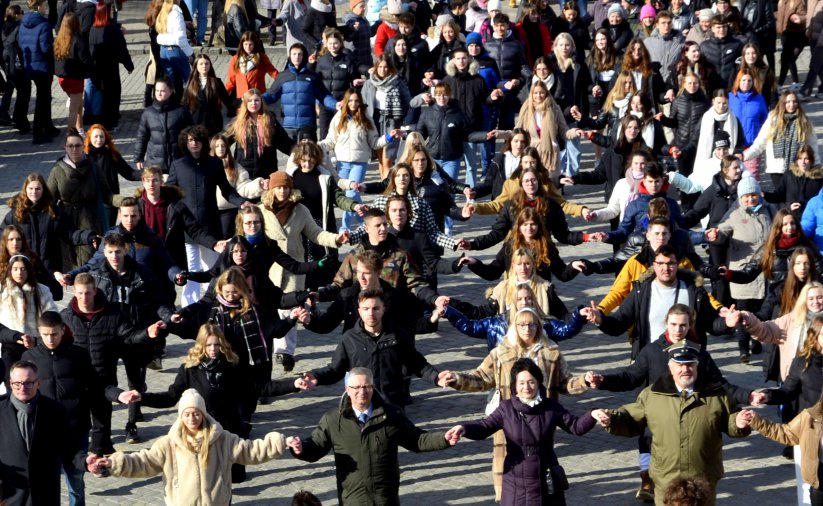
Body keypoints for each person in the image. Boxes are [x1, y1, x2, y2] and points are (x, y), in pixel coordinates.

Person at [584, 304, 756, 501]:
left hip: (703, 478)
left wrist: (741, 418)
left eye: (690, 365)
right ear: (670, 366)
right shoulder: (652, 390)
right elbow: (630, 400)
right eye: (673, 324)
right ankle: (646, 479)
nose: (685, 370)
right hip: (666, 473)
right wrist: (611, 418)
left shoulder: (712, 390)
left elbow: (726, 404)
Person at [437, 307, 589, 501]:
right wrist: (456, 379)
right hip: (508, 419)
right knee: (510, 470)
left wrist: (585, 381)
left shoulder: (551, 354)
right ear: (514, 327)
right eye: (522, 325)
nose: (527, 329)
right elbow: (481, 378)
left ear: (539, 326)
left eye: (532, 324)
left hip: (543, 419)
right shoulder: (501, 353)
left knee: (541, 467)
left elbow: (565, 383)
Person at [140, 324, 311, 483]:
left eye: (216, 344)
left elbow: (261, 387)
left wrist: (293, 384)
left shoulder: (234, 365)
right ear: (201, 346)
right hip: (201, 435)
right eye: (208, 345)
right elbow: (171, 397)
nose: (213, 349)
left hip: (229, 433)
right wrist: (142, 398)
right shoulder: (189, 369)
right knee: (204, 481)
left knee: (228, 482)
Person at [94, 388, 301, 505]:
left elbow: (251, 451)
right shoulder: (168, 444)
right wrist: (114, 463)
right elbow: (142, 461)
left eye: (196, 413)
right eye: (187, 414)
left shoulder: (223, 439)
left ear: (203, 414)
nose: (192, 418)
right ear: (180, 416)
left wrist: (281, 442)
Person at [446, 358, 600, 505]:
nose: (526, 387)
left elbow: (576, 426)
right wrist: (463, 428)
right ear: (514, 385)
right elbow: (484, 427)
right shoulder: (506, 409)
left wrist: (592, 415)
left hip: (546, 478)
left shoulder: (551, 407)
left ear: (538, 383)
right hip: (515, 481)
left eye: (531, 382)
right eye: (521, 383)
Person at [292, 367, 454, 504]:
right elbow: (316, 446)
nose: (361, 392)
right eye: (356, 387)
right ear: (347, 390)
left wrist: (444, 438)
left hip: (385, 499)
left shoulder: (391, 414)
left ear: (373, 387)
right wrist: (300, 448)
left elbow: (417, 440)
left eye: (366, 387)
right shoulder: (333, 420)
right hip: (353, 500)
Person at [21, 311, 128, 506]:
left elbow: (96, 385)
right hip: (43, 432)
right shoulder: (30, 357)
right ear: (39, 332)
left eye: (54, 334)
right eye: (45, 334)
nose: (50, 339)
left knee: (76, 482)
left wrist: (118, 395)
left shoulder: (78, 355)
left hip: (75, 429)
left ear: (63, 330)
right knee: (46, 483)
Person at [259, 172, 347, 371]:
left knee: (290, 309)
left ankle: (285, 352)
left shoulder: (300, 210)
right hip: (268, 269)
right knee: (267, 310)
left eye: (286, 187)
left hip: (293, 268)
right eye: (279, 187)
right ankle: (267, 348)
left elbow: (316, 233)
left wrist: (335, 239)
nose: (282, 191)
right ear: (271, 189)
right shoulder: (261, 211)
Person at [302, 288, 439, 406]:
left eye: (376, 308)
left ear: (383, 309)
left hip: (392, 404)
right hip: (361, 404)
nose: (371, 313)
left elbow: (417, 363)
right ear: (359, 311)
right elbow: (335, 369)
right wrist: (316, 377)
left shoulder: (397, 335)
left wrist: (437, 377)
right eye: (366, 309)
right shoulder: (350, 339)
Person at [584, 244, 726, 356]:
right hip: (652, 361)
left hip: (688, 363)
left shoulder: (694, 292)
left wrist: (727, 322)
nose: (666, 268)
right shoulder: (641, 291)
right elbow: (620, 323)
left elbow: (711, 324)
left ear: (677, 265)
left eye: (671, 263)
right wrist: (600, 320)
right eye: (661, 263)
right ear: (654, 265)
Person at [167, 125, 248, 305]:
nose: (194, 143)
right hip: (187, 229)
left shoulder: (214, 164)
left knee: (213, 269)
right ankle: (190, 308)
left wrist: (242, 202)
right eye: (190, 140)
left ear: (203, 142)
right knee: (192, 269)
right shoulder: (178, 165)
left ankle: (214, 305)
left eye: (197, 140)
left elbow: (227, 191)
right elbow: (169, 194)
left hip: (211, 226)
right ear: (185, 143)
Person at [0, 360, 96, 505]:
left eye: (28, 383)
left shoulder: (54, 410)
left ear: (38, 383)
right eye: (17, 384)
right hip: (10, 496)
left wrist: (85, 462)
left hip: (45, 494)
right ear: (9, 384)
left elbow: (69, 448)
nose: (22, 388)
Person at [3, 174, 97, 294]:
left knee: (47, 306)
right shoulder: (16, 214)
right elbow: (3, 236)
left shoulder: (53, 212)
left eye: (38, 188)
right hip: (23, 271)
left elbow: (70, 233)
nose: (34, 192)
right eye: (30, 188)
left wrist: (90, 237)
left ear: (43, 190)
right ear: (25, 190)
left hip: (48, 270)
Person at [319, 88, 392, 231]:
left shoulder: (365, 117)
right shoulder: (339, 117)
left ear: (360, 102)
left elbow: (374, 142)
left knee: (352, 193)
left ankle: (345, 228)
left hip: (360, 162)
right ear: (346, 102)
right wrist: (315, 146)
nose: (353, 103)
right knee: (349, 194)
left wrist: (388, 138)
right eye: (350, 100)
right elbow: (330, 141)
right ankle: (366, 220)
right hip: (342, 162)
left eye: (356, 100)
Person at [48, 130, 113, 267]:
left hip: (90, 218)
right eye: (70, 146)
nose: (74, 149)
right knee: (69, 261)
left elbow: (107, 194)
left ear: (83, 146)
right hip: (66, 220)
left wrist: (124, 202)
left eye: (77, 145)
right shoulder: (57, 170)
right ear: (65, 147)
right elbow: (50, 200)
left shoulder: (94, 167)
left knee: (90, 259)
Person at [263, 42, 337, 143]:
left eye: (299, 54)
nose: (296, 57)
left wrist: (336, 104)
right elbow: (271, 95)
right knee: (292, 157)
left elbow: (324, 96)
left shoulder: (313, 76)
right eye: (294, 54)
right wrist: (256, 98)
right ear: (290, 56)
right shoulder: (282, 76)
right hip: (288, 126)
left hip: (307, 126)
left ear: (304, 56)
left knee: (308, 157)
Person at [745, 91, 820, 188]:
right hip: (777, 169)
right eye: (788, 102)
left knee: (793, 199)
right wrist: (746, 155)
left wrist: (817, 165)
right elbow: (761, 142)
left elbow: (812, 145)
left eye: (794, 102)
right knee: (782, 199)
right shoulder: (773, 120)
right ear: (783, 103)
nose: (791, 105)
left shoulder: (804, 121)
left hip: (797, 168)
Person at [0, 254, 57, 380]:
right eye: (15, 269)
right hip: (10, 343)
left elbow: (52, 316)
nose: (19, 272)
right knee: (12, 382)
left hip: (35, 343)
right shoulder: (2, 291)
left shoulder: (42, 291)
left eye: (23, 269)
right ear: (10, 270)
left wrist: (39, 339)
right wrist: (13, 336)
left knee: (35, 380)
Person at [225, 88, 294, 180]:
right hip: (244, 172)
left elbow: (284, 142)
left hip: (267, 172)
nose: (253, 103)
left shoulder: (270, 121)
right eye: (250, 101)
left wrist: (301, 152)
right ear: (245, 103)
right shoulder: (238, 122)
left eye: (256, 100)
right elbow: (223, 140)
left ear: (261, 102)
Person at [361, 54, 411, 178]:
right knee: (380, 159)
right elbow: (363, 102)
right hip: (375, 120)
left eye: (385, 67)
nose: (383, 70)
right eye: (380, 67)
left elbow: (407, 100)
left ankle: (388, 189)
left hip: (391, 121)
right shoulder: (369, 83)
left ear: (390, 68)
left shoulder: (397, 82)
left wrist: (400, 115)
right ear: (376, 67)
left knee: (388, 158)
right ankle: (384, 186)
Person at [87, 0, 133, 132]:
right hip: (110, 69)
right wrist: (129, 65)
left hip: (97, 69)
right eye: (111, 10)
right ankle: (111, 123)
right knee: (112, 96)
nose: (113, 12)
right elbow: (121, 50)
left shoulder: (93, 29)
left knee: (100, 96)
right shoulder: (112, 30)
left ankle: (100, 121)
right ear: (107, 13)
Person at [133, 75, 193, 172]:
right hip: (154, 163)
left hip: (177, 161)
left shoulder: (181, 111)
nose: (159, 94)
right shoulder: (148, 112)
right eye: (157, 91)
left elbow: (191, 134)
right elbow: (142, 136)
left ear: (171, 91)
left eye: (162, 91)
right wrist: (138, 157)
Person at [19, 0, 59, 144]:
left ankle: (48, 126)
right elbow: (46, 48)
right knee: (43, 99)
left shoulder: (23, 23)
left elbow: (20, 43)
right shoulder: (44, 25)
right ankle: (38, 133)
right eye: (45, 5)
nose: (46, 8)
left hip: (30, 65)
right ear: (39, 6)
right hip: (43, 66)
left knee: (44, 96)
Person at [53, 12, 91, 137]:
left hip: (62, 78)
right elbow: (86, 60)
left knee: (79, 103)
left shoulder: (59, 38)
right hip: (75, 78)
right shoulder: (78, 40)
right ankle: (71, 135)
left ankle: (80, 129)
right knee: (74, 109)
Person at [182, 54, 233, 136]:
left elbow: (228, 101)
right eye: (201, 64)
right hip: (195, 122)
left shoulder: (216, 82)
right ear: (196, 66)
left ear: (210, 65)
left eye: (206, 63)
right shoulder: (191, 83)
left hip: (213, 123)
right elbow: (185, 103)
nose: (204, 66)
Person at [0, 5, 32, 135]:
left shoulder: (5, 27)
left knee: (20, 93)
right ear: (17, 15)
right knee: (24, 95)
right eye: (22, 13)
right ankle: (21, 122)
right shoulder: (19, 28)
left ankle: (18, 119)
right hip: (19, 67)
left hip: (10, 66)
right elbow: (23, 47)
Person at [154, 0, 194, 96]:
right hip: (176, 50)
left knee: (169, 81)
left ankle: (168, 103)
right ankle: (190, 104)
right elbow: (180, 39)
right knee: (188, 80)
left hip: (163, 49)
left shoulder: (163, 12)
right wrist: (190, 53)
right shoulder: (176, 13)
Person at [225, 31, 279, 98]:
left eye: (250, 44)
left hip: (257, 97)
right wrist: (223, 94)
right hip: (242, 97)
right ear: (242, 44)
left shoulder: (262, 58)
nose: (248, 47)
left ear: (255, 44)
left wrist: (284, 82)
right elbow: (231, 81)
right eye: (246, 44)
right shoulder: (235, 59)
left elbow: (274, 73)